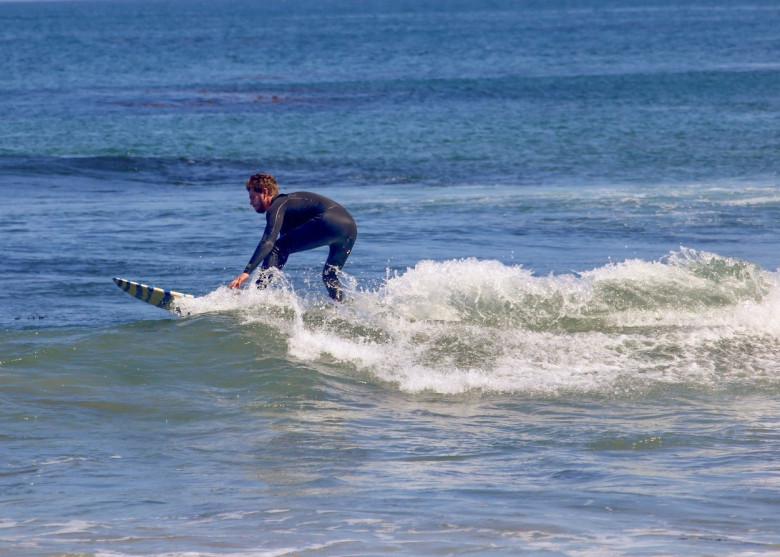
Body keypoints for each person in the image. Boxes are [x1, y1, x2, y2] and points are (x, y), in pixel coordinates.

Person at [229, 173, 357, 301]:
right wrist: (271, 274)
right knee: (329, 275)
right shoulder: (291, 209)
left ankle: (255, 296)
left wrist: (247, 272)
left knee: (276, 248)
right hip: (350, 228)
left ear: (264, 191)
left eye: (253, 197)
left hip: (329, 220)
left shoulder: (278, 204)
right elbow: (281, 253)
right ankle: (340, 307)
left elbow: (268, 242)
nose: (251, 203)